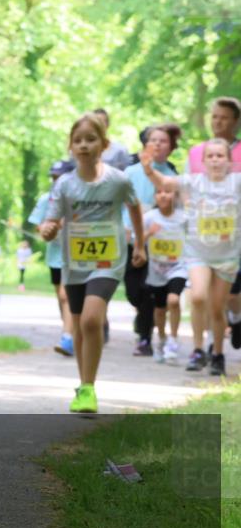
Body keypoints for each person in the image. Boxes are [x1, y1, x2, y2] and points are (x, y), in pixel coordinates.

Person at [39, 112, 145, 413]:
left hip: (108, 260)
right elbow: (50, 221)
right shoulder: (64, 185)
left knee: (90, 320)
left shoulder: (118, 180)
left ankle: (88, 388)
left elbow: (134, 208)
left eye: (90, 139)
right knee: (82, 328)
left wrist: (139, 243)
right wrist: (48, 229)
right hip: (74, 263)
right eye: (78, 140)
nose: (84, 145)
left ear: (104, 144)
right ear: (70, 147)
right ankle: (84, 385)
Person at [141, 137, 238, 377]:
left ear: (229, 161)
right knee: (197, 297)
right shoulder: (193, 182)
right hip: (198, 252)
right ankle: (197, 350)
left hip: (227, 255)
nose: (215, 160)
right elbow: (164, 182)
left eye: (220, 156)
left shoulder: (237, 183)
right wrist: (148, 169)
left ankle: (217, 353)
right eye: (211, 156)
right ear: (203, 161)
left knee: (217, 308)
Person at [186, 98, 241, 349]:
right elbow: (188, 190)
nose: (218, 121)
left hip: (234, 235)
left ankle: (235, 318)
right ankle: (210, 343)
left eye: (224, 117)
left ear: (235, 121)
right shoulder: (197, 152)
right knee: (203, 293)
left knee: (229, 294)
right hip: (205, 235)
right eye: (214, 116)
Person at [122, 125, 181, 356]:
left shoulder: (173, 177)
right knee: (134, 291)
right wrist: (123, 227)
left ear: (170, 147)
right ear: (145, 145)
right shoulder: (129, 173)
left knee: (151, 289)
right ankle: (144, 321)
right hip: (131, 238)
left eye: (163, 141)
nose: (157, 144)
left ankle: (145, 337)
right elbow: (119, 205)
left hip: (159, 242)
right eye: (152, 140)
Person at [28, 159, 76, 356]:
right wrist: (48, 228)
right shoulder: (46, 199)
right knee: (61, 296)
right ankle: (68, 328)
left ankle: (68, 338)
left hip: (75, 254)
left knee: (67, 296)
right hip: (55, 255)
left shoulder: (77, 197)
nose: (56, 181)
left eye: (60, 177)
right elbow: (37, 224)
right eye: (54, 177)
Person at [142, 184, 187, 364]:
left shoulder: (184, 218)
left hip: (179, 267)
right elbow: (136, 241)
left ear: (175, 196)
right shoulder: (149, 218)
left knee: (173, 301)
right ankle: (161, 338)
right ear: (154, 197)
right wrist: (148, 234)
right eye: (159, 192)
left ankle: (173, 341)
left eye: (168, 192)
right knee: (160, 309)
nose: (163, 196)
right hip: (157, 270)